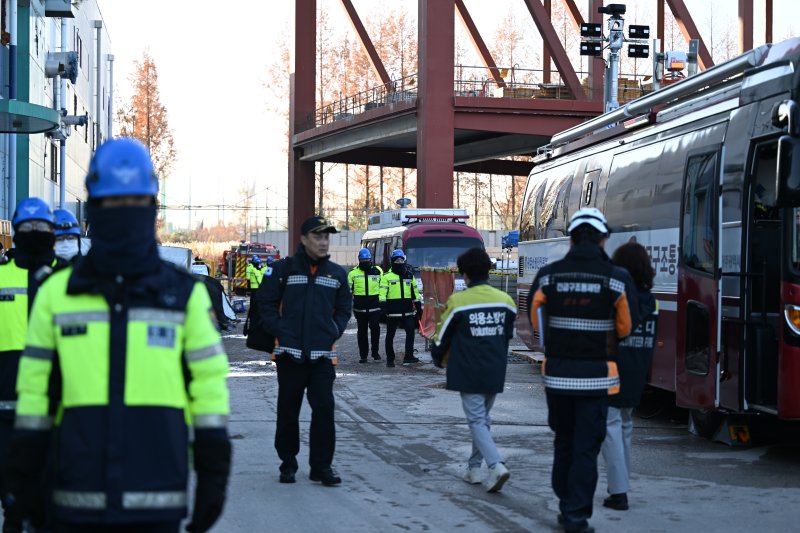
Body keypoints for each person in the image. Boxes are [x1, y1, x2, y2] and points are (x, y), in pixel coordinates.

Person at [5, 137, 232, 533]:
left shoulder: (184, 297)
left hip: (156, 500)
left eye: (134, 204)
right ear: (94, 208)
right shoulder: (58, 294)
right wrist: (24, 486)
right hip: (72, 499)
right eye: (113, 204)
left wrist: (213, 475)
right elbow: (35, 399)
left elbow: (209, 395)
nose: (123, 215)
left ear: (152, 210)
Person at [528, 207, 637, 533]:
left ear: (572, 239)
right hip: (597, 380)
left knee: (564, 441)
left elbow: (536, 323)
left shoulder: (548, 276)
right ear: (603, 239)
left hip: (558, 378)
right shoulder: (617, 278)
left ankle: (566, 505)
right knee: (586, 448)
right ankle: (576, 515)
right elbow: (626, 328)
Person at [256, 215, 351, 486]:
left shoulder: (336, 273)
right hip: (289, 354)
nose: (323, 242)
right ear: (304, 239)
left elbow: (345, 308)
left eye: (326, 237)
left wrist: (334, 329)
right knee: (288, 411)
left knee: (324, 410)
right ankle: (288, 463)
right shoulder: (283, 270)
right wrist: (280, 329)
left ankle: (321, 467)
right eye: (318, 237)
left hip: (322, 355)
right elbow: (265, 303)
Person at [431, 247, 516, 493]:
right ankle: (474, 469)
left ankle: (496, 465)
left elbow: (441, 338)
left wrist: (438, 359)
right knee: (483, 421)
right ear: (488, 271)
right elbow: (507, 335)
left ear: (464, 275)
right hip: (495, 369)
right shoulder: (506, 302)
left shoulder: (458, 302)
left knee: (477, 421)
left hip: (467, 370)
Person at [0, 197, 59, 532]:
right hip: (6, 414)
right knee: (14, 502)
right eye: (28, 227)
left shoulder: (70, 281)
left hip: (58, 413)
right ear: (15, 231)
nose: (35, 233)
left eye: (41, 227)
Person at [601, 241, 658, 512]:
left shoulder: (619, 298)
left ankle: (619, 491)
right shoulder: (652, 301)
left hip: (615, 367)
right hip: (638, 367)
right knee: (625, 425)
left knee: (610, 426)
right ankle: (621, 483)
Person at [379, 249, 422, 367]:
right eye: (397, 260)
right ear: (393, 261)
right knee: (390, 335)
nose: (399, 261)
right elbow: (382, 293)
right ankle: (390, 359)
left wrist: (418, 308)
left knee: (410, 333)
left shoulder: (409, 275)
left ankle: (408, 356)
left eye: (401, 259)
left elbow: (415, 293)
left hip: (407, 311)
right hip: (392, 312)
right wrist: (383, 307)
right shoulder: (386, 277)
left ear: (404, 260)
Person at [347, 248, 383, 363]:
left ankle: (375, 352)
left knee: (375, 329)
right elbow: (348, 291)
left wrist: (384, 303)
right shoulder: (352, 273)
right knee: (362, 332)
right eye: (363, 259)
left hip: (375, 307)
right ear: (359, 260)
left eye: (367, 259)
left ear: (370, 259)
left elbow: (383, 287)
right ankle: (363, 355)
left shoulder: (378, 271)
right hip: (360, 308)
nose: (365, 261)